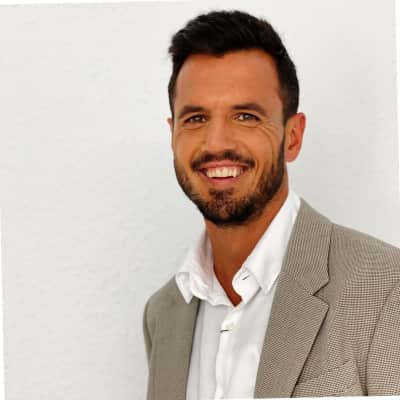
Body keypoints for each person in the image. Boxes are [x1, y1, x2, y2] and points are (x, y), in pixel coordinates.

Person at [142, 9, 400, 399]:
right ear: (173, 134)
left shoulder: (385, 288)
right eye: (195, 118)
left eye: (245, 116)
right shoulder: (163, 315)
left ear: (292, 137)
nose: (216, 143)